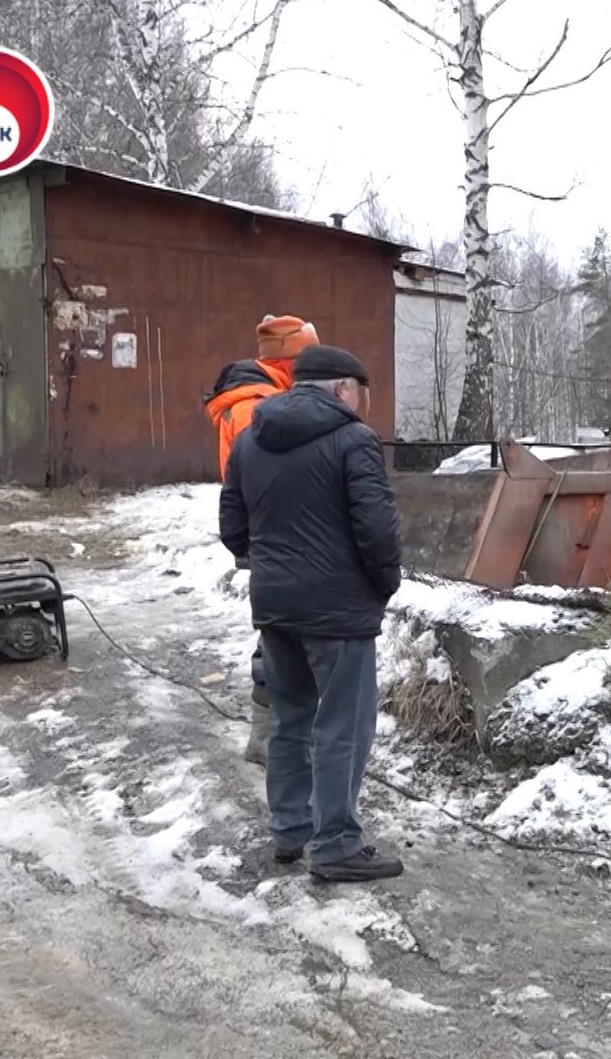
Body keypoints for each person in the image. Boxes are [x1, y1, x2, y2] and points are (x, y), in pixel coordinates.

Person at [219, 344, 404, 883]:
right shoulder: (355, 441)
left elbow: (232, 528)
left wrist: (271, 565)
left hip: (275, 607)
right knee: (343, 725)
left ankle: (291, 829)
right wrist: (382, 584)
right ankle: (337, 844)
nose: (362, 405)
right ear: (342, 389)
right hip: (338, 611)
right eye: (360, 393)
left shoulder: (251, 438)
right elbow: (377, 528)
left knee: (290, 717)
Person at [204, 314, 320, 767]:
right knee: (280, 638)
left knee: (276, 632)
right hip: (277, 535)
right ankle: (270, 738)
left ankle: (274, 736)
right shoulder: (260, 407)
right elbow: (274, 477)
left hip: (265, 534)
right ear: (291, 363)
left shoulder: (255, 399)